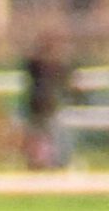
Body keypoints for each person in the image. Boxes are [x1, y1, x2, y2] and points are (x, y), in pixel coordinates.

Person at [23, 37, 73, 170]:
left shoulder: (55, 66)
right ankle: (39, 161)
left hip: (49, 106)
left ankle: (54, 161)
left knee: (53, 134)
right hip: (40, 106)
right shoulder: (37, 66)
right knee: (40, 135)